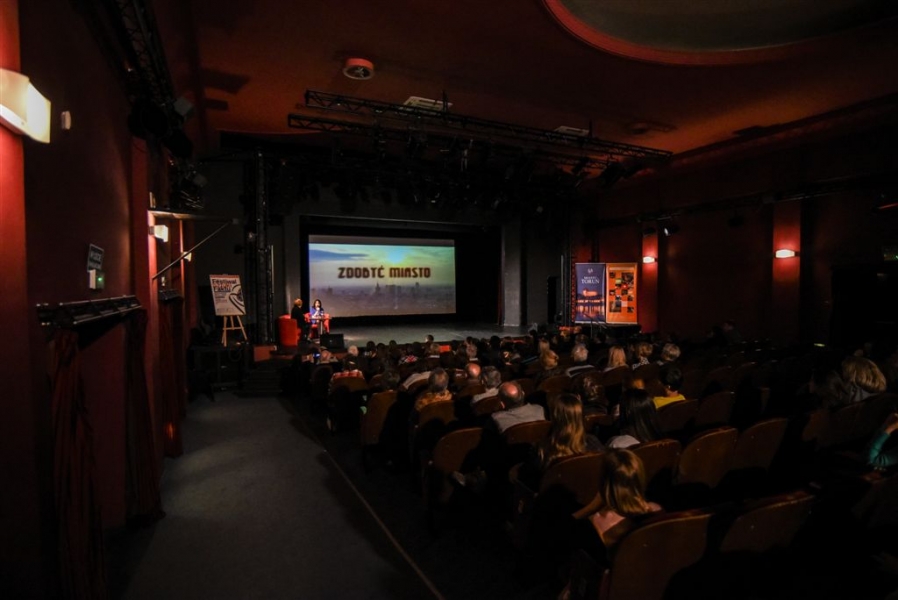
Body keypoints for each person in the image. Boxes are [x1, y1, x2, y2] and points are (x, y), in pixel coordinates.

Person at [515, 393, 603, 490]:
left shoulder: (542, 451)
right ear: (580, 416)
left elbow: (527, 481)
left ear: (553, 417)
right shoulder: (594, 444)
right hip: (588, 497)